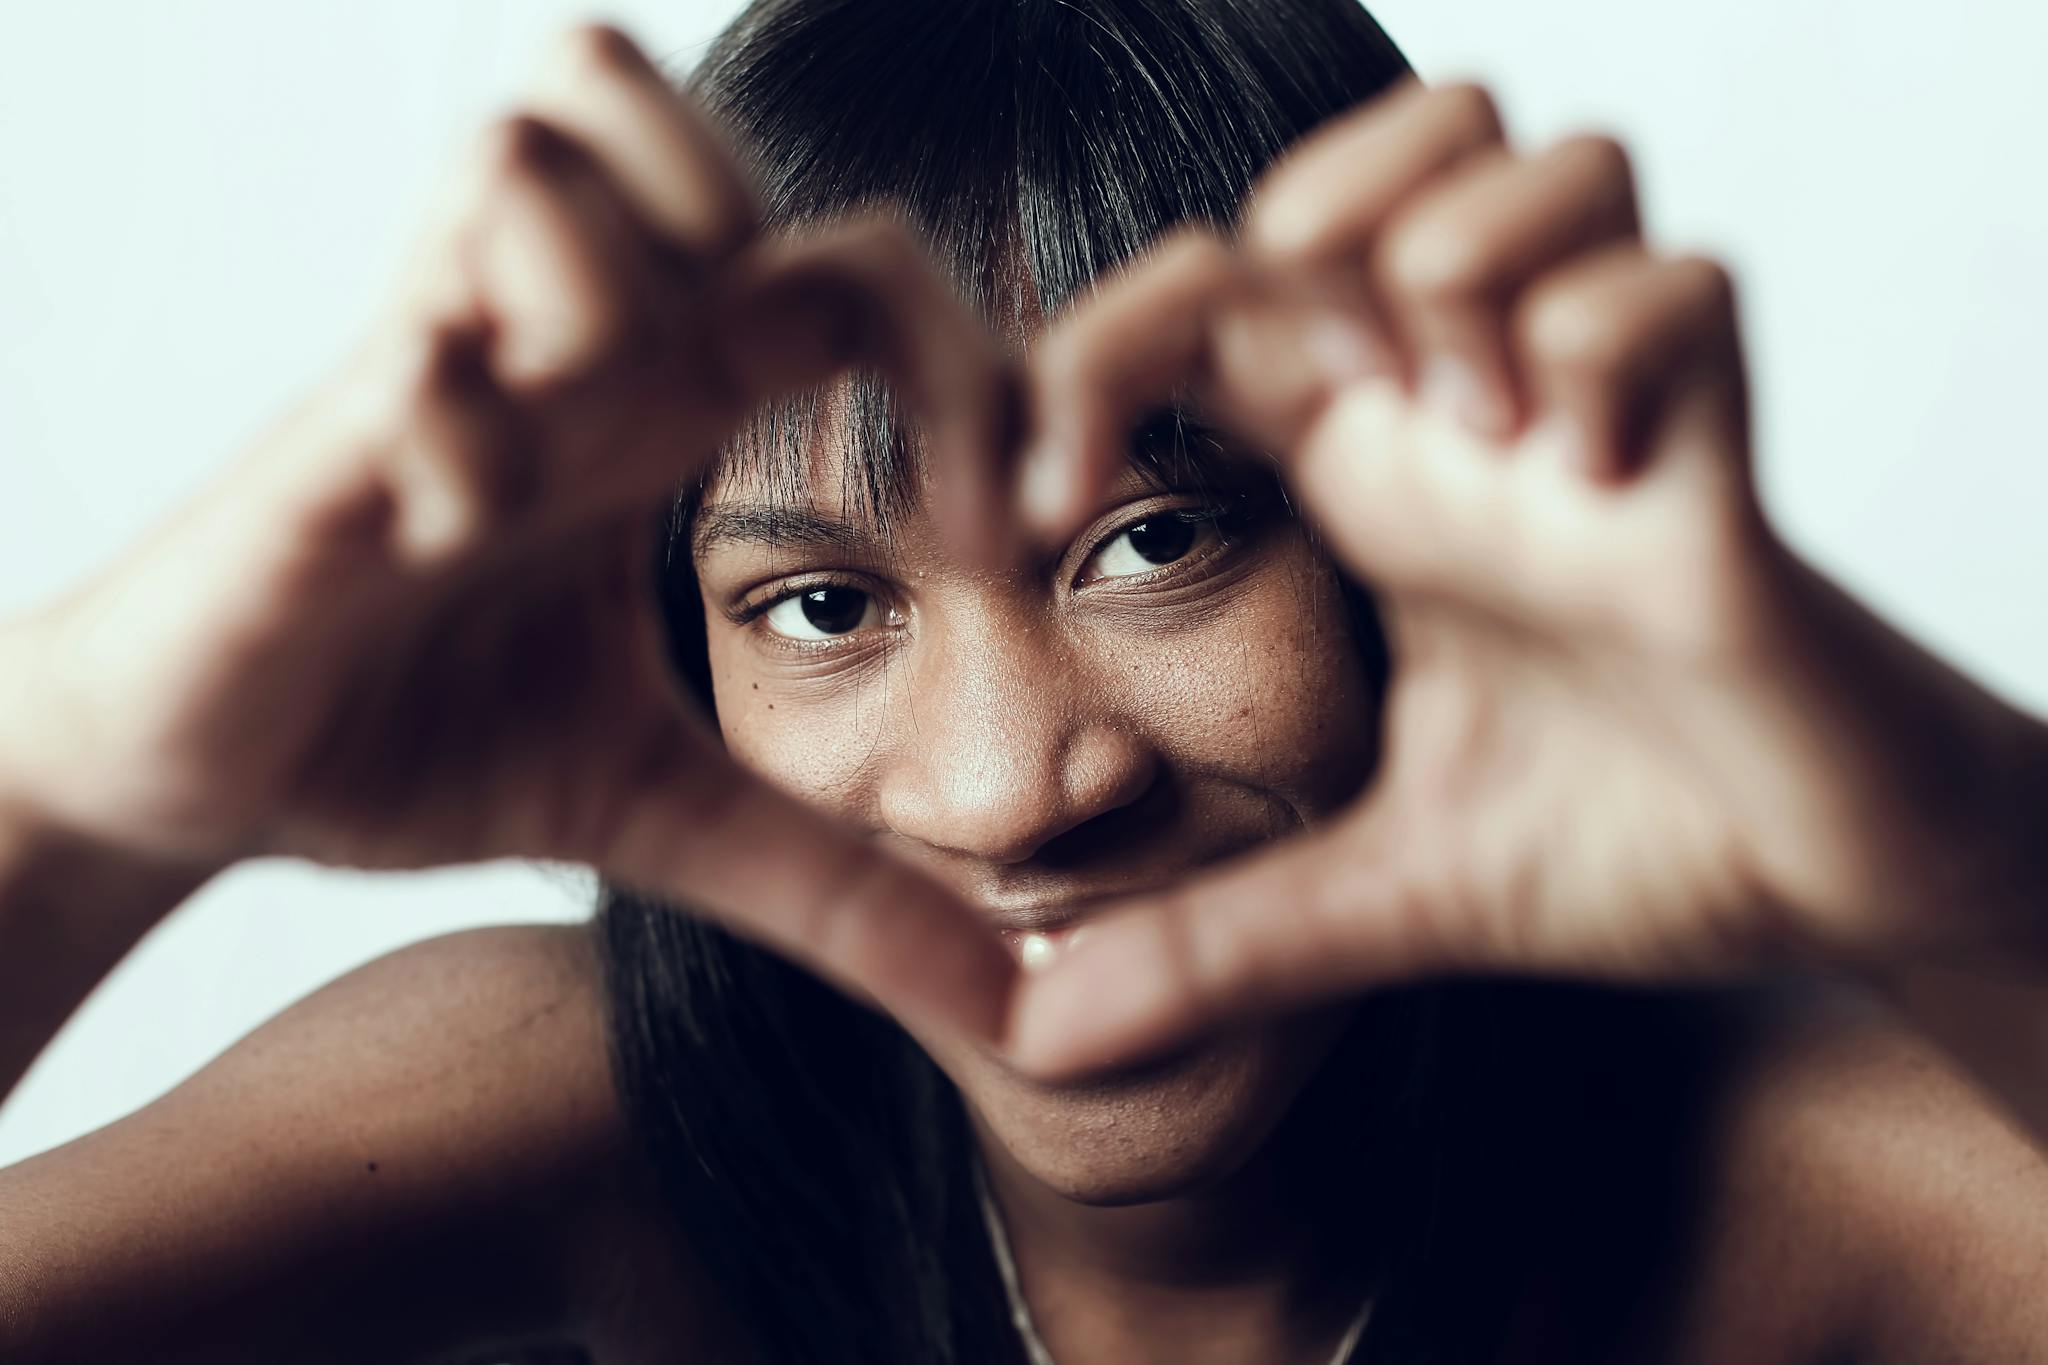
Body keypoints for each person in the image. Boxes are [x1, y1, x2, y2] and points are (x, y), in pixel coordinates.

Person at [2, 1, 2047, 1361]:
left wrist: (1970, 848)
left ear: (1426, 564)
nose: (1005, 791)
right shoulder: (561, 1115)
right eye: (818, 602)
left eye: (1156, 541)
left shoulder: (1832, 1174)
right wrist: (80, 783)